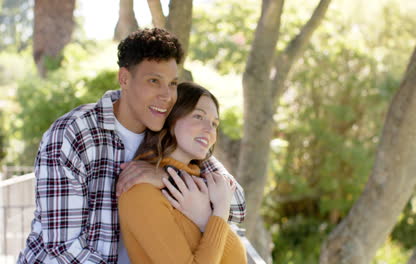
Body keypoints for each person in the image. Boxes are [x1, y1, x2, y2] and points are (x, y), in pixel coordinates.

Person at [18, 28, 246, 264]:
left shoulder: (167, 129)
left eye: (172, 83)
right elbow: (63, 247)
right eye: (154, 81)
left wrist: (167, 177)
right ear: (124, 79)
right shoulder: (73, 134)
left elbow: (236, 203)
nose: (166, 95)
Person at [119, 82, 247, 263]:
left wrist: (207, 219)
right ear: (171, 119)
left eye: (214, 123)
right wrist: (219, 210)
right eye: (198, 116)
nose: (210, 130)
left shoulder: (205, 181)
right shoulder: (141, 190)